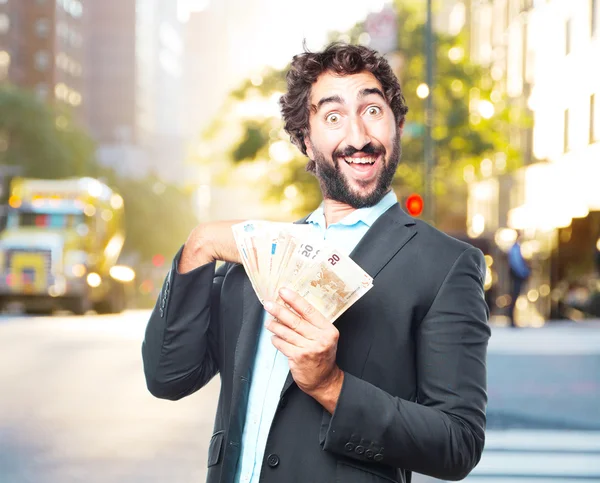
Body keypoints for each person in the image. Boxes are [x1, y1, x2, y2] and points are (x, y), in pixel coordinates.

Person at [142, 43, 490, 483]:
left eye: (373, 111)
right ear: (306, 141)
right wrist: (199, 245)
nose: (358, 136)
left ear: (397, 126)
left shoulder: (446, 265)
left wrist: (330, 385)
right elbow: (167, 376)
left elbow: (457, 444)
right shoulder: (259, 254)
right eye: (332, 116)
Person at [507, 232, 531, 327]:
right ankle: (511, 319)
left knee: (514, 297)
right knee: (514, 296)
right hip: (517, 276)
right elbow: (516, 264)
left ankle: (512, 319)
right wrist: (525, 273)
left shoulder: (516, 248)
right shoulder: (515, 249)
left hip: (516, 275)